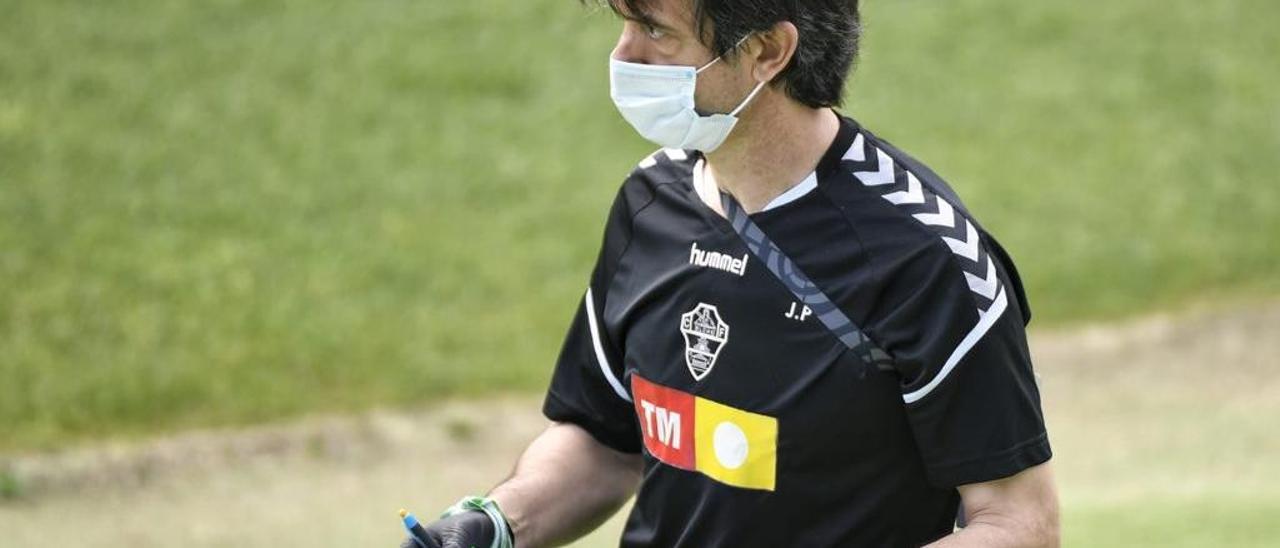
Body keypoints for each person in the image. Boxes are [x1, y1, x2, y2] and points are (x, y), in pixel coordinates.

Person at [401, 0, 1059, 546]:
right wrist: (495, 524)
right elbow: (606, 441)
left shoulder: (923, 257)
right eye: (624, 25)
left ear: (768, 52)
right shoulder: (651, 202)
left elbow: (1018, 522)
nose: (625, 56)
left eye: (657, 31)